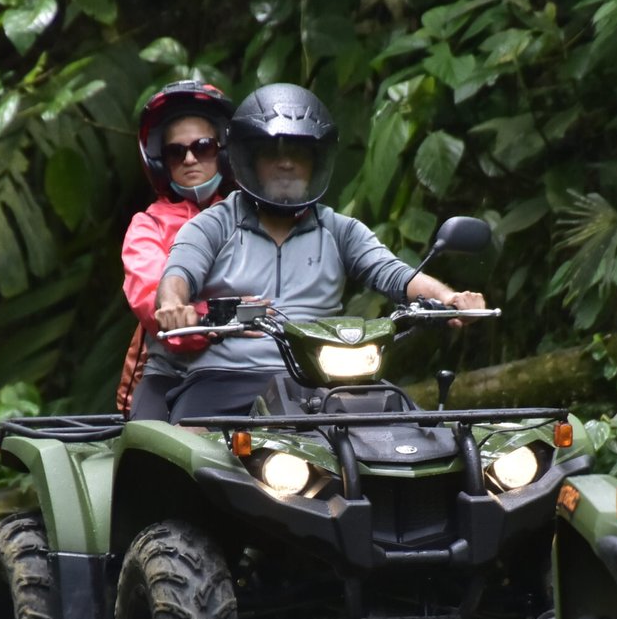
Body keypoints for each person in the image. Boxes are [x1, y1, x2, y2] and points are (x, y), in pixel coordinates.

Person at [153, 83, 486, 421]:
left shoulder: (339, 229)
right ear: (249, 161)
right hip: (225, 378)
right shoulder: (213, 225)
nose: (286, 164)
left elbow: (397, 274)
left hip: (325, 379)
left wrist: (450, 298)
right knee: (189, 447)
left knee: (419, 437)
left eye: (298, 153)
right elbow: (178, 275)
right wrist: (173, 306)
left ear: (315, 163)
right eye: (273, 153)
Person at [116, 80, 234, 420]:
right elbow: (151, 299)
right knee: (149, 455)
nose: (190, 158)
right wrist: (209, 316)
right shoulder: (147, 225)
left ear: (224, 152)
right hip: (170, 371)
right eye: (175, 151)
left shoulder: (250, 216)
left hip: (249, 367)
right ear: (160, 162)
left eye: (204, 146)